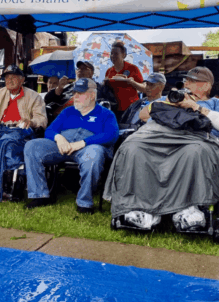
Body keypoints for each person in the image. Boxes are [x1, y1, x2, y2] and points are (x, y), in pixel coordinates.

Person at [104, 67, 219, 230]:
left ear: (206, 86)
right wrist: (164, 103)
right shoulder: (169, 98)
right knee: (133, 147)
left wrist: (195, 106)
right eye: (186, 80)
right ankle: (139, 207)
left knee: (194, 151)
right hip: (156, 136)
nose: (186, 83)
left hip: (193, 138)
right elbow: (143, 116)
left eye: (192, 81)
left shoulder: (214, 103)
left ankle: (189, 208)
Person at [24, 78, 119, 214]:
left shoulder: (106, 114)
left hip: (88, 148)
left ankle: (84, 202)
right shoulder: (68, 112)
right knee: (32, 146)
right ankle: (39, 195)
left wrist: (83, 142)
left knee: (94, 154)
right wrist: (59, 138)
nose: (75, 97)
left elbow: (111, 135)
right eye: (74, 93)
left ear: (92, 95)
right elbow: (50, 130)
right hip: (63, 146)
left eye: (80, 94)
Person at [0, 64, 47, 203]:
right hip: (0, 128)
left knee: (6, 142)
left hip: (19, 131)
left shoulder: (34, 96)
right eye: (7, 78)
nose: (9, 80)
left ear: (22, 79)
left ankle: (5, 187)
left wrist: (30, 121)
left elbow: (41, 119)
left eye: (13, 77)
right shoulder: (0, 93)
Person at [104, 41, 144, 121]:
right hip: (114, 108)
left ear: (124, 55)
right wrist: (105, 82)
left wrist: (132, 82)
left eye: (116, 53)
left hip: (132, 108)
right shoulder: (109, 71)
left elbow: (143, 88)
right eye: (111, 54)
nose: (112, 56)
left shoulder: (132, 68)